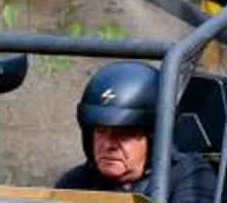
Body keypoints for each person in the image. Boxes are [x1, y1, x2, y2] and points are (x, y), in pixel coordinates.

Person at [57, 60, 157, 193]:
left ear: (152, 140)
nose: (109, 145)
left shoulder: (182, 177)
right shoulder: (75, 183)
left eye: (124, 134)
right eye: (101, 131)